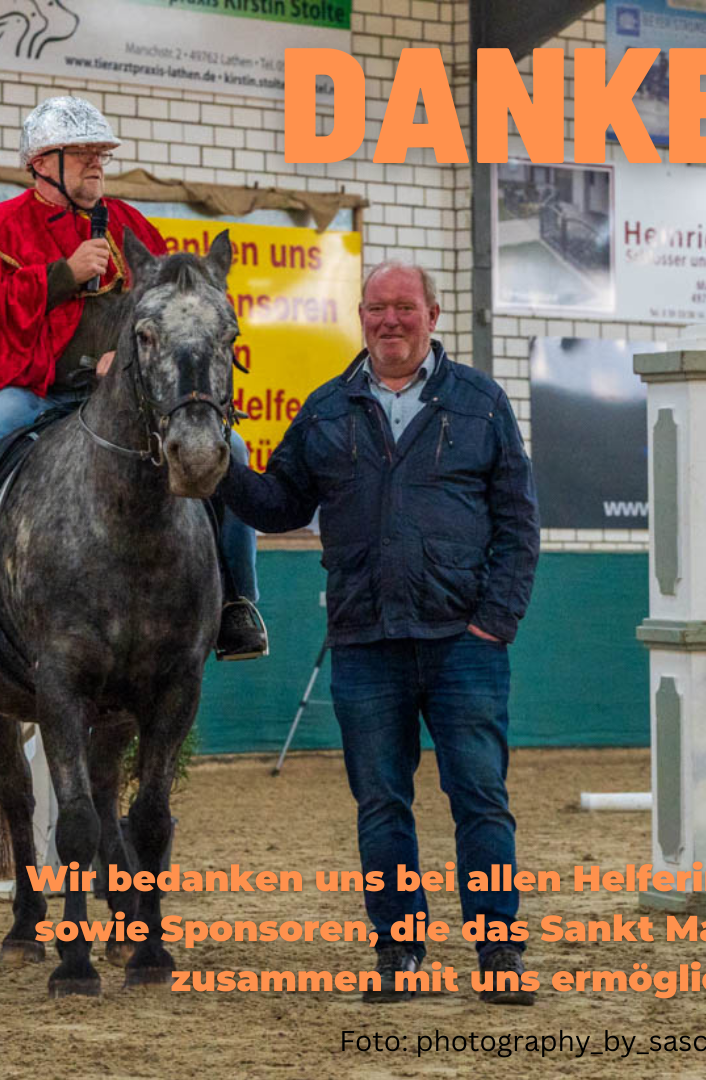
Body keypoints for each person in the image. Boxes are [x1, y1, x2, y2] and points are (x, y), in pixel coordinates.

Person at [217, 262, 541, 1005]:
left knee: (480, 799)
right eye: (377, 309)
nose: (390, 320)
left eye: (405, 307)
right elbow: (280, 504)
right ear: (361, 317)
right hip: (365, 641)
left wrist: (495, 623)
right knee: (382, 804)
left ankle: (498, 950)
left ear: (433, 315)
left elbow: (519, 522)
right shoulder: (327, 409)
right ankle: (399, 952)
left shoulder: (481, 403)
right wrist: (223, 463)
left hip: (464, 645)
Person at [0, 96, 266, 660]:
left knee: (235, 451)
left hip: (123, 397)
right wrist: (62, 275)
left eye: (102, 153)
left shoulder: (131, 226)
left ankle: (236, 602)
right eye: (83, 153)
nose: (97, 163)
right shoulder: (6, 226)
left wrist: (119, 358)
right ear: (42, 163)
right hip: (34, 391)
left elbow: (169, 313)